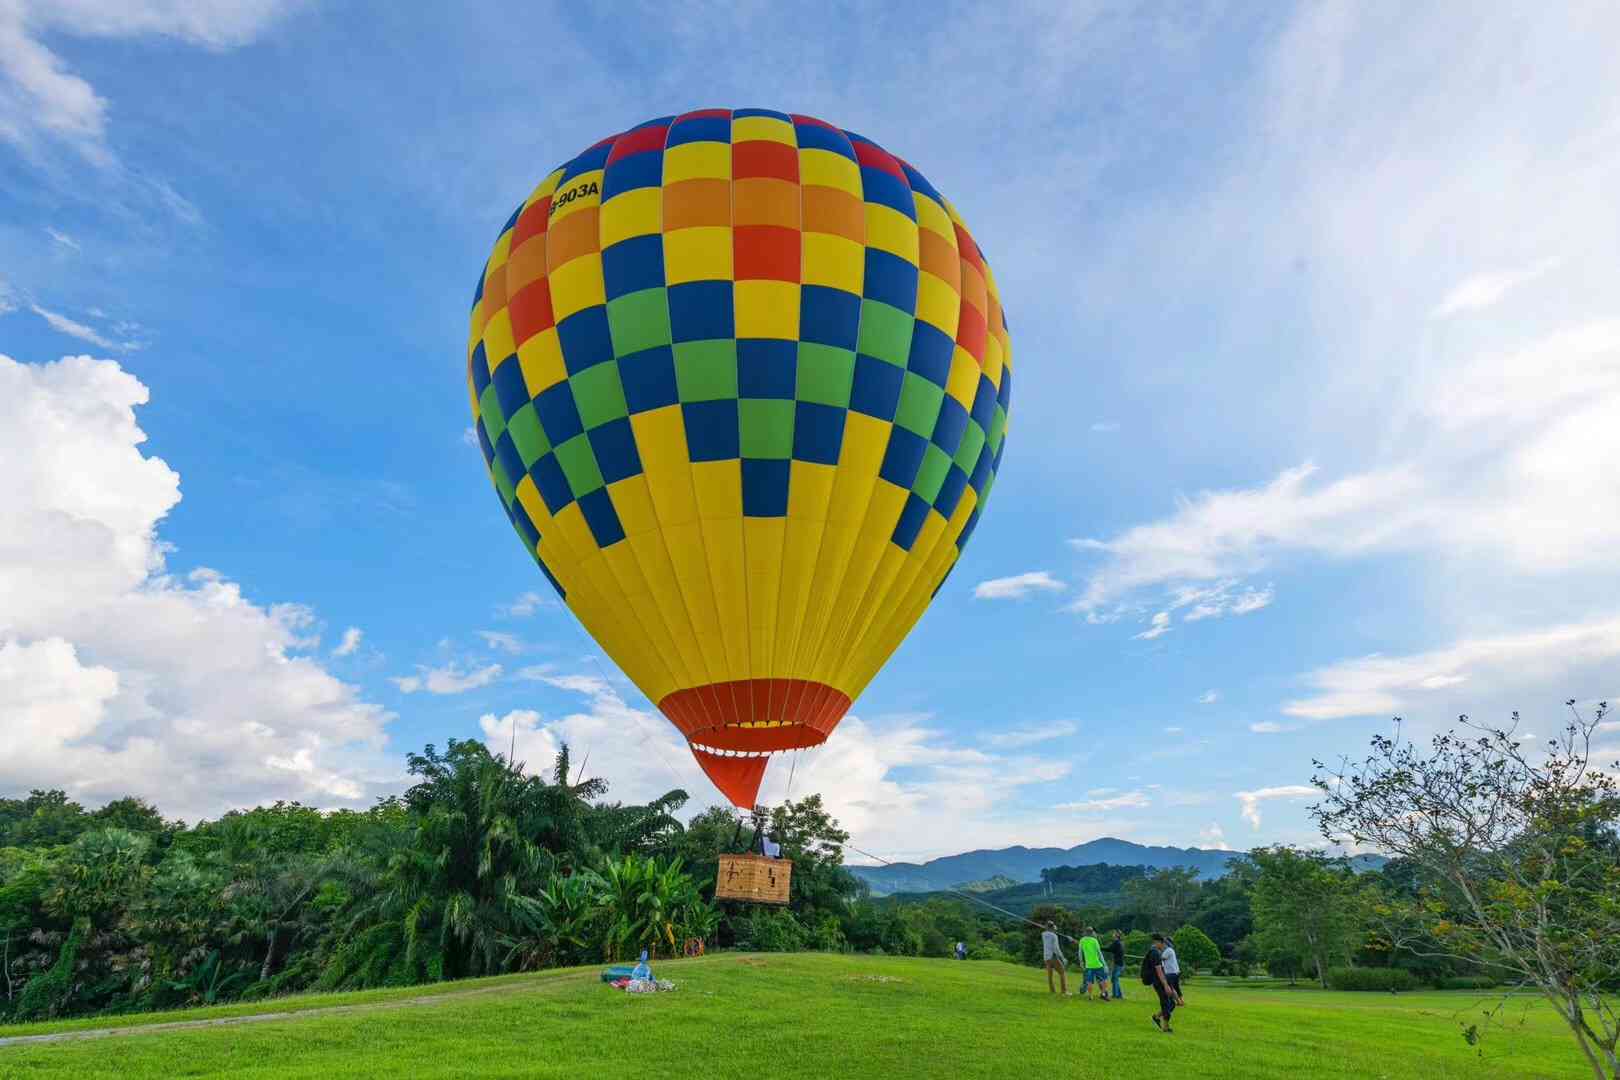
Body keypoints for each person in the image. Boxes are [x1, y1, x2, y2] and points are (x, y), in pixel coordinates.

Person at [1143, 933, 1176, 1033]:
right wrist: (1165, 985)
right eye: (1164, 944)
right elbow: (1159, 971)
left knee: (1172, 1003)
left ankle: (1157, 1017)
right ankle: (1166, 1027)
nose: (1165, 947)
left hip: (1162, 980)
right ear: (1158, 942)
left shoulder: (1156, 952)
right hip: (1158, 981)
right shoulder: (1154, 953)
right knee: (1166, 1003)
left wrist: (1170, 987)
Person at [1079, 926, 1108, 1001]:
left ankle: (1090, 996)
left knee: (1089, 982)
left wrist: (1081, 962)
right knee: (1104, 979)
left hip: (1088, 965)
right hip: (1098, 964)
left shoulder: (1082, 940)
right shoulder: (1095, 941)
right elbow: (1099, 953)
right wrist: (1104, 964)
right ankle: (1103, 993)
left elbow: (1080, 953)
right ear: (1092, 933)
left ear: (1085, 932)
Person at [1040, 922, 1068, 995]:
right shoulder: (1054, 936)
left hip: (1046, 956)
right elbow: (1056, 948)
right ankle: (1064, 991)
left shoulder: (1043, 934)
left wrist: (1047, 929)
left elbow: (1046, 931)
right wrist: (1062, 958)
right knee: (1062, 972)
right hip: (1053, 956)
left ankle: (1052, 991)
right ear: (1052, 928)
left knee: (1050, 975)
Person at [1161, 936, 1184, 1005]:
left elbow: (1161, 958)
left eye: (1164, 943)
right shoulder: (1171, 950)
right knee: (1177, 988)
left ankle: (1179, 1002)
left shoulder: (1168, 950)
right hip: (1176, 972)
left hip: (1171, 973)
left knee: (1170, 987)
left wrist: (1153, 957)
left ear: (1166, 943)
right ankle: (1182, 1001)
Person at [1107, 929, 1126, 1000]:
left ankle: (1116, 995)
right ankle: (1119, 995)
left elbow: (1109, 949)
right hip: (1120, 963)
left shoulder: (1116, 942)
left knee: (1114, 979)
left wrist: (1099, 948)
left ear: (1117, 935)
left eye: (1114, 933)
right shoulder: (1119, 942)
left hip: (1118, 964)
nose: (1113, 934)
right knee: (1115, 979)